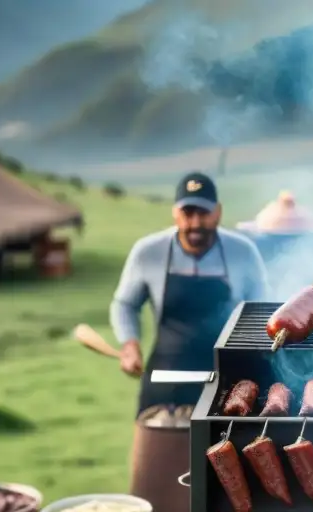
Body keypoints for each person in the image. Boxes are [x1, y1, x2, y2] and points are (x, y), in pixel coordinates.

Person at [110, 172, 271, 413]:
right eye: (188, 213)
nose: (195, 223)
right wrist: (130, 345)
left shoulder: (243, 252)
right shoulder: (148, 252)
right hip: (164, 382)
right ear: (175, 213)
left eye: (204, 214)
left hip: (229, 386)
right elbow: (124, 304)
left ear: (218, 212)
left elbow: (262, 311)